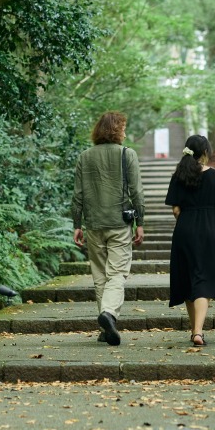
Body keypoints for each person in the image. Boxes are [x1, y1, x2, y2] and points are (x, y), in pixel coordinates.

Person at [71, 112, 145, 346]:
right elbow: (137, 192)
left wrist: (76, 225)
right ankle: (109, 313)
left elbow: (77, 195)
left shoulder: (85, 156)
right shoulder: (127, 154)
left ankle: (105, 328)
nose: (124, 132)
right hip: (118, 224)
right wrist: (140, 222)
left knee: (100, 276)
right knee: (118, 273)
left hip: (93, 224)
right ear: (116, 130)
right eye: (123, 128)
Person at [164, 134, 215, 347]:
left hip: (184, 230)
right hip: (209, 229)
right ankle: (198, 331)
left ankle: (194, 329)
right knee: (203, 279)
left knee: (188, 278)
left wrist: (188, 219)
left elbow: (176, 210)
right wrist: (209, 222)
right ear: (205, 152)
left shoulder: (178, 176)